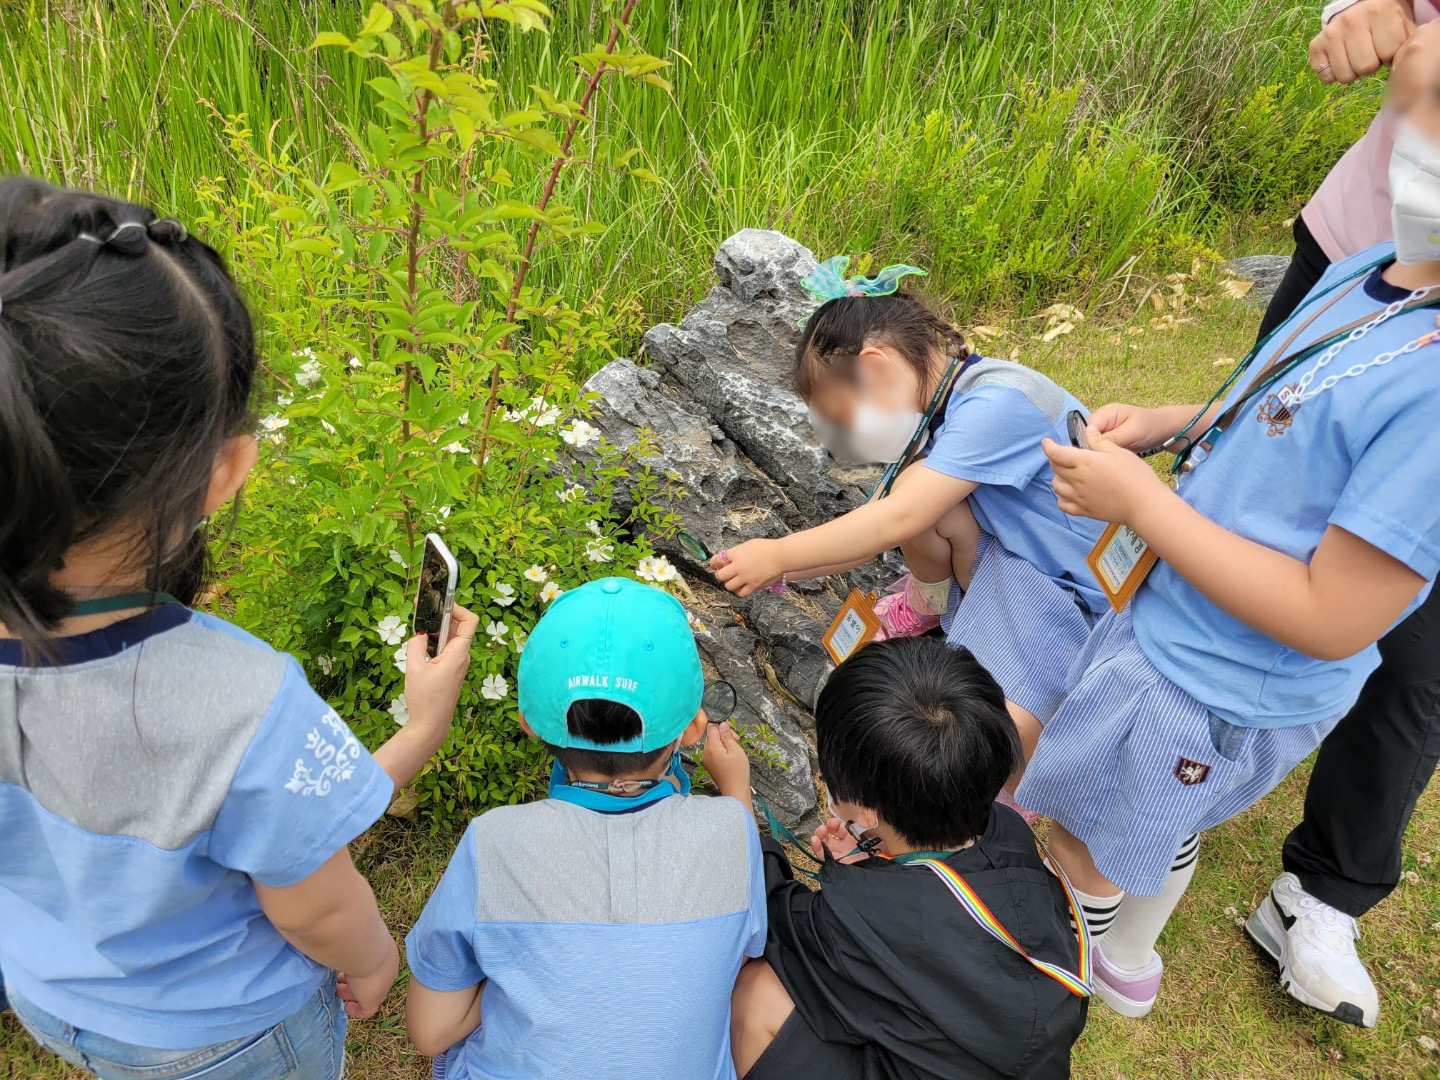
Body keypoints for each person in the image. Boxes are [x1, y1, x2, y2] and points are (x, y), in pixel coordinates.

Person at [0, 177, 477, 1078]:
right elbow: (313, 902)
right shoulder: (240, 704)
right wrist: (376, 958)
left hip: (51, 996)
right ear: (224, 473)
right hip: (219, 1036)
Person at [1024, 69, 1440, 1018]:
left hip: (1224, 679)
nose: (1411, 138)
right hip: (1178, 623)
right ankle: (1129, 958)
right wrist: (1176, 425)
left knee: (1087, 839)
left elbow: (1335, 617)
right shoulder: (1377, 266)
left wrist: (1142, 506)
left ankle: (1058, 969)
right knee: (1158, 815)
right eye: (1409, 104)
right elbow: (1281, 398)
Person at [712, 260, 1107, 789]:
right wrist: (780, 572)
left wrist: (780, 553)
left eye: (846, 419)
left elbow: (899, 517)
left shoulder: (1001, 401)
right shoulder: (943, 411)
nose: (852, 440)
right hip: (1017, 564)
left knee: (997, 722)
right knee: (919, 495)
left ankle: (1013, 784)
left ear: (875, 367)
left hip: (1073, 591)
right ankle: (934, 606)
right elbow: (887, 525)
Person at [1243, 2, 1440, 1028]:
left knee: (1416, 646)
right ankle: (1149, 760)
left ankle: (1320, 895)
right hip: (1366, 256)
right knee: (1248, 480)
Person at [404, 576, 766, 1079]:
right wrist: (737, 795)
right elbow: (739, 954)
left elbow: (428, 1032)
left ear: (529, 722)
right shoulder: (733, 829)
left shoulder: (493, 842)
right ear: (693, 729)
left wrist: (518, 966)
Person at [709, 637, 1088, 1079]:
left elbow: (769, 915)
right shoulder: (1010, 832)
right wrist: (873, 861)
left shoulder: (854, 919)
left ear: (866, 810)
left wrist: (736, 799)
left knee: (755, 990)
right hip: (1011, 1055)